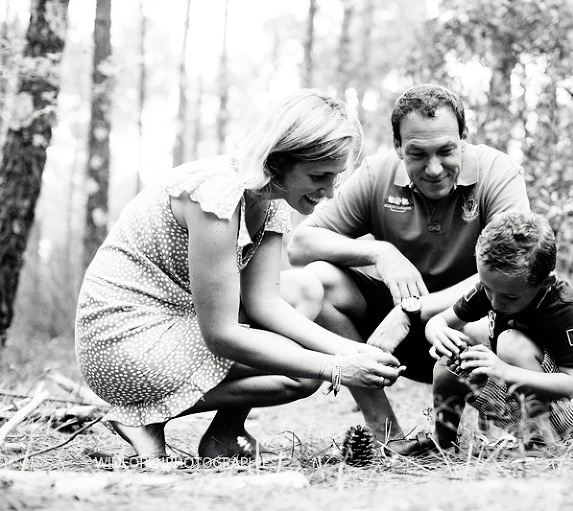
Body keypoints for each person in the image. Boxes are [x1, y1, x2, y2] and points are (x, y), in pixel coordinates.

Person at [75, 89, 403, 461]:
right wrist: (337, 367)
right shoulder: (216, 195)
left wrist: (353, 351)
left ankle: (224, 438)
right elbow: (221, 335)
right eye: (318, 176)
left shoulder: (270, 198)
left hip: (174, 325)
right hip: (122, 342)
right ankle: (142, 420)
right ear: (278, 161)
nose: (328, 192)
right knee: (305, 369)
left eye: (335, 177)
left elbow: (264, 303)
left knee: (306, 293)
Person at [283, 84, 530, 453]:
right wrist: (380, 253)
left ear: (463, 138)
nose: (433, 168)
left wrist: (412, 310)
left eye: (446, 150)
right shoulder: (378, 174)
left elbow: (513, 267)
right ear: (399, 148)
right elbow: (300, 244)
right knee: (320, 280)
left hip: (468, 330)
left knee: (485, 318)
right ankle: (386, 433)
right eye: (417, 154)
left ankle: (491, 429)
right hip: (394, 338)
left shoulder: (497, 172)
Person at [425, 211, 573, 451]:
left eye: (511, 297)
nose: (495, 302)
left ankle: (541, 444)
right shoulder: (496, 287)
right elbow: (437, 321)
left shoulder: (564, 308)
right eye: (487, 289)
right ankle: (442, 445)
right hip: (513, 399)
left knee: (509, 342)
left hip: (561, 409)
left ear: (544, 283)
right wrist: (439, 335)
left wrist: (503, 370)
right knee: (446, 366)